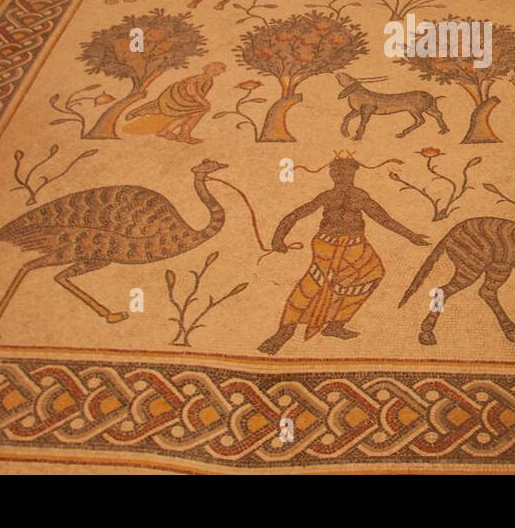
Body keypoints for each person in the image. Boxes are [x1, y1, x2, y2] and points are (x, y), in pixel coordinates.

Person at [258, 153, 429, 354]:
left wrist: (411, 236)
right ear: (332, 174)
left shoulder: (352, 196)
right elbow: (295, 214)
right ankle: (286, 331)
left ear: (353, 173)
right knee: (314, 284)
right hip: (330, 245)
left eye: (344, 171)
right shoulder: (333, 196)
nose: (340, 175)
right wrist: (277, 239)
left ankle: (334, 324)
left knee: (367, 275)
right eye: (336, 172)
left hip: (352, 246)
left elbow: (383, 219)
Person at [122, 61, 226, 144]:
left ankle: (168, 132)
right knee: (196, 112)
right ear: (212, 69)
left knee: (188, 114)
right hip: (181, 98)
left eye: (219, 71)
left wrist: (200, 101)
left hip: (183, 99)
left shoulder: (207, 79)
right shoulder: (203, 78)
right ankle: (182, 135)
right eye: (217, 69)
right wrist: (203, 102)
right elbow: (192, 90)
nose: (218, 72)